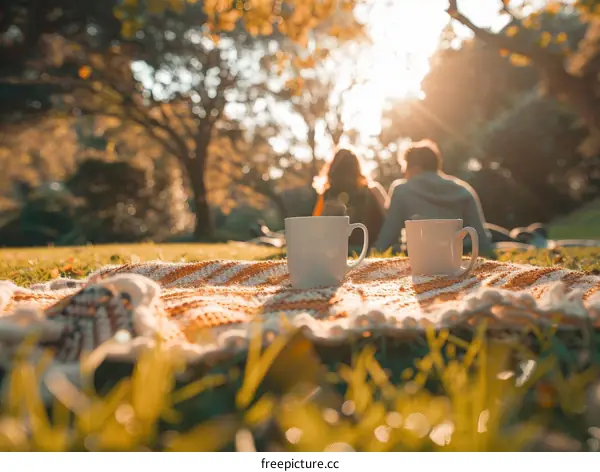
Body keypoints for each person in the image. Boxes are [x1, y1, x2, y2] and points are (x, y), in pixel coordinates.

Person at [373, 139, 493, 256]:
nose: (404, 173)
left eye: (405, 167)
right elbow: (481, 238)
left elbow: (388, 235)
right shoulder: (464, 190)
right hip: (459, 256)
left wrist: (370, 256)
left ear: (415, 168)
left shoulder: (402, 190)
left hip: (419, 258)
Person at [312, 148, 388, 247]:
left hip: (337, 250)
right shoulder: (373, 191)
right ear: (357, 168)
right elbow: (388, 221)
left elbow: (315, 228)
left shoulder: (326, 196)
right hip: (368, 248)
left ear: (332, 170)